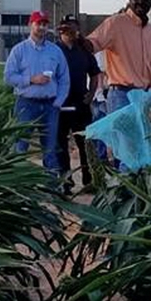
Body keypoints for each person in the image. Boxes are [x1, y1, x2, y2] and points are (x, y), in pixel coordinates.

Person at [4, 11, 70, 176]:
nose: (41, 27)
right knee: (20, 145)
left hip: (50, 104)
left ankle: (53, 186)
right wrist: (31, 79)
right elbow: (9, 76)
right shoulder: (19, 51)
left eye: (44, 24)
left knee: (50, 147)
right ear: (30, 25)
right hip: (26, 103)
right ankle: (17, 184)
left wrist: (58, 102)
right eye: (38, 23)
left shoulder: (55, 51)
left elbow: (64, 78)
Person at [87, 0, 151, 114]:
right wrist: (76, 40)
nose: (140, 1)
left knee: (142, 136)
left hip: (145, 95)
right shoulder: (115, 23)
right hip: (121, 95)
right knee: (122, 136)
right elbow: (92, 44)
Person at [55, 14, 102, 189]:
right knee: (61, 144)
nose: (71, 30)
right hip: (60, 104)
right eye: (67, 27)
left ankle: (88, 180)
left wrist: (91, 94)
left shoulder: (83, 51)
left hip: (80, 104)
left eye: (74, 27)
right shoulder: (54, 50)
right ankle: (65, 181)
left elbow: (95, 73)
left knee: (85, 144)